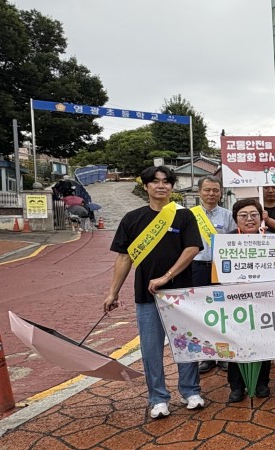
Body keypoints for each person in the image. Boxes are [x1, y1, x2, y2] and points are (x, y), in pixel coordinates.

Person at [103, 166, 204, 419]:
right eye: (155, 181)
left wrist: (167, 276)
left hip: (180, 294)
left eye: (166, 182)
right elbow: (124, 257)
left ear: (172, 187)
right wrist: (113, 292)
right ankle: (158, 398)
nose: (161, 186)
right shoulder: (132, 219)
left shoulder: (184, 216)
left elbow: (192, 248)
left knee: (186, 344)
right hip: (146, 295)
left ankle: (190, 391)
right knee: (150, 350)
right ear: (146, 185)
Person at [225, 198, 273, 402]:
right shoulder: (225, 240)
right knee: (235, 340)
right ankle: (236, 385)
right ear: (235, 219)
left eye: (254, 215)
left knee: (262, 340)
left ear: (261, 217)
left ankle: (262, 382)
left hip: (263, 300)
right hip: (234, 300)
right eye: (243, 215)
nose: (249, 219)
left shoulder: (269, 239)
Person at [192, 176, 237, 374]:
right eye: (207, 190)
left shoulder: (228, 216)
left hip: (222, 269)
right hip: (198, 267)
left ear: (221, 193)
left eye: (215, 190)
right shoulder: (190, 215)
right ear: (199, 192)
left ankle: (223, 354)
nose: (211, 194)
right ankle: (207, 356)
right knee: (202, 312)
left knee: (223, 312)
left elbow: (235, 241)